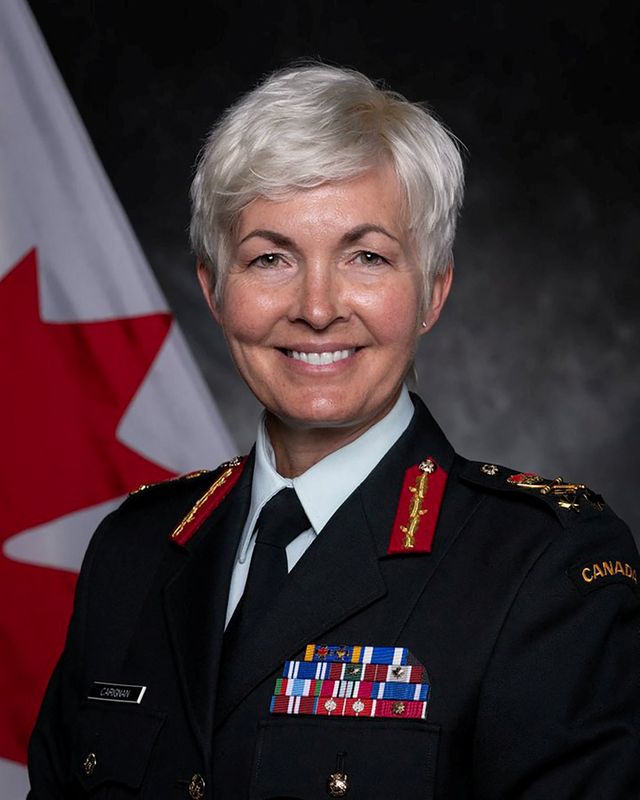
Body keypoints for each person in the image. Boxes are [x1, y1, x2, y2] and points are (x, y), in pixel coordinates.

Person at [28, 63, 639, 799]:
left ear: (433, 291)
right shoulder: (132, 553)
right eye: (269, 258)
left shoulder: (544, 569)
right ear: (213, 291)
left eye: (367, 256)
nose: (317, 308)